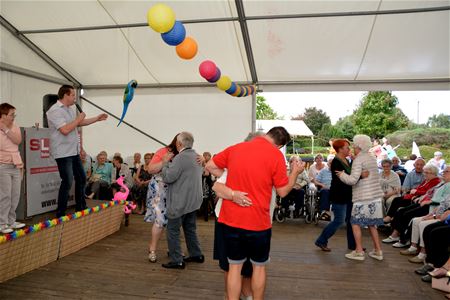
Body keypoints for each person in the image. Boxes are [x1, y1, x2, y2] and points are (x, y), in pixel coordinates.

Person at [206, 126, 304, 300]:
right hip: (258, 222)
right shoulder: (275, 156)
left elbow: (210, 166)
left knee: (233, 268)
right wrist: (295, 173)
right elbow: (282, 191)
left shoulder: (236, 148)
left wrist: (231, 182)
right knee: (258, 267)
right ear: (280, 145)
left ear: (267, 134)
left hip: (231, 220)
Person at [46, 85, 107, 217]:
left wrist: (96, 118)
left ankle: (80, 206)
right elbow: (65, 130)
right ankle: (60, 213)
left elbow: (78, 123)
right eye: (73, 95)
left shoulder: (71, 109)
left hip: (73, 151)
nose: (75, 97)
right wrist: (78, 119)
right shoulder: (55, 110)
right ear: (65, 95)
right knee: (67, 181)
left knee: (81, 178)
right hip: (62, 152)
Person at [161, 132, 204, 269]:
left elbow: (168, 178)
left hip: (180, 201)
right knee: (190, 228)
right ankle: (196, 254)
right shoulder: (198, 157)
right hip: (194, 201)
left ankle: (177, 259)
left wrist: (165, 163)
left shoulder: (180, 158)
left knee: (173, 230)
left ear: (179, 144)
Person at [338, 134, 385, 261]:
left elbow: (352, 180)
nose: (352, 146)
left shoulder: (359, 159)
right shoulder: (371, 158)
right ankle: (378, 250)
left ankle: (359, 251)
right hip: (375, 196)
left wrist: (341, 175)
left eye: (354, 144)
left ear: (358, 145)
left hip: (363, 197)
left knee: (355, 223)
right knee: (372, 224)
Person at [382, 164, 442, 248]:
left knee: (404, 212)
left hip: (426, 204)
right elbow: (422, 190)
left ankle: (402, 238)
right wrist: (415, 193)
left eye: (427, 172)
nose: (424, 174)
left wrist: (416, 193)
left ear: (433, 173)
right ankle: (394, 231)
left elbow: (428, 193)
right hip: (417, 199)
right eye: (424, 172)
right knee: (399, 207)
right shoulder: (427, 180)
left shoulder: (436, 181)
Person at [315, 139, 356, 252]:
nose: (349, 149)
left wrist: (353, 162)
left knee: (351, 220)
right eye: (347, 147)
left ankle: (353, 245)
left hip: (347, 194)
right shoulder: (336, 162)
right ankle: (321, 240)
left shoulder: (346, 160)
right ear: (340, 149)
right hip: (339, 195)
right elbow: (348, 176)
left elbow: (350, 173)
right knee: (339, 220)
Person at [145, 134, 180, 263]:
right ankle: (152, 249)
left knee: (174, 220)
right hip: (159, 188)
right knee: (160, 220)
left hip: (175, 189)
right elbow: (150, 169)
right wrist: (164, 161)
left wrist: (200, 160)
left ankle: (173, 248)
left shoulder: (183, 154)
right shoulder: (163, 151)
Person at [0, 103, 25, 234]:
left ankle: (11, 221)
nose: (13, 117)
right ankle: (2, 223)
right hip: (2, 166)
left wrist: (5, 129)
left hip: (16, 165)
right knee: (5, 196)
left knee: (15, 195)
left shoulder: (15, 127)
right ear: (3, 115)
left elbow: (18, 140)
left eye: (14, 114)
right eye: (11, 115)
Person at [314, 155, 334, 221]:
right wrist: (321, 184)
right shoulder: (323, 171)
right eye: (330, 163)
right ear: (328, 164)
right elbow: (315, 181)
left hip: (335, 190)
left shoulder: (338, 172)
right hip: (325, 189)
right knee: (325, 192)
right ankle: (324, 212)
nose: (332, 164)